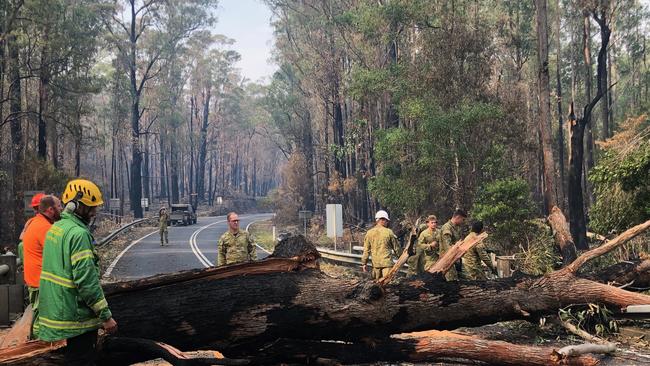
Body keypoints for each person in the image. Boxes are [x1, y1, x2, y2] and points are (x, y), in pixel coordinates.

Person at [38, 179, 117, 365]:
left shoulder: (56, 228)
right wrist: (105, 316)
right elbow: (87, 282)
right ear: (78, 205)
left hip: (57, 309)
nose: (94, 212)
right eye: (91, 208)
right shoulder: (79, 235)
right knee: (81, 360)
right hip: (76, 315)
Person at [22, 195, 62, 338]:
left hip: (34, 278)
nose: (61, 209)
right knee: (43, 317)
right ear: (50, 209)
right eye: (59, 206)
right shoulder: (45, 228)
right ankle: (38, 347)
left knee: (40, 314)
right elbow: (58, 253)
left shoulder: (33, 222)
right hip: (41, 281)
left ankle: (37, 341)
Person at [361, 210, 401, 280]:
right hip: (387, 265)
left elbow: (366, 250)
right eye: (386, 220)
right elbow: (397, 249)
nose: (387, 222)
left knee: (377, 286)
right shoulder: (389, 232)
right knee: (388, 286)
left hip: (376, 266)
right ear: (382, 220)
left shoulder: (369, 233)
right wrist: (402, 259)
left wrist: (364, 263)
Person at [438, 209, 467, 281]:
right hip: (448, 261)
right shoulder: (447, 228)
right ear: (458, 217)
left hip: (455, 259)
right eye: (462, 220)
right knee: (451, 282)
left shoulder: (456, 228)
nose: (463, 222)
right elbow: (448, 247)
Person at [17, 193, 45, 265]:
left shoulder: (52, 222)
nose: (35, 210)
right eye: (34, 208)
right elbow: (22, 239)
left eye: (36, 208)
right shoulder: (30, 222)